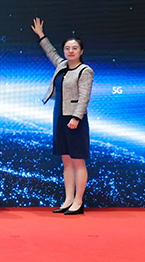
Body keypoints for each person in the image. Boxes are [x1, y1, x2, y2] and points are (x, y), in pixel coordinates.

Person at [30, 18, 93, 215]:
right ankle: (68, 200)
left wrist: (76, 118)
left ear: (81, 51)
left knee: (78, 161)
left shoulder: (85, 71)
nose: (70, 51)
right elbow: (50, 52)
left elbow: (84, 97)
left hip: (74, 120)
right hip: (59, 117)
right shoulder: (62, 65)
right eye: (67, 48)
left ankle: (78, 201)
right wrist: (41, 35)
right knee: (66, 161)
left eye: (74, 48)